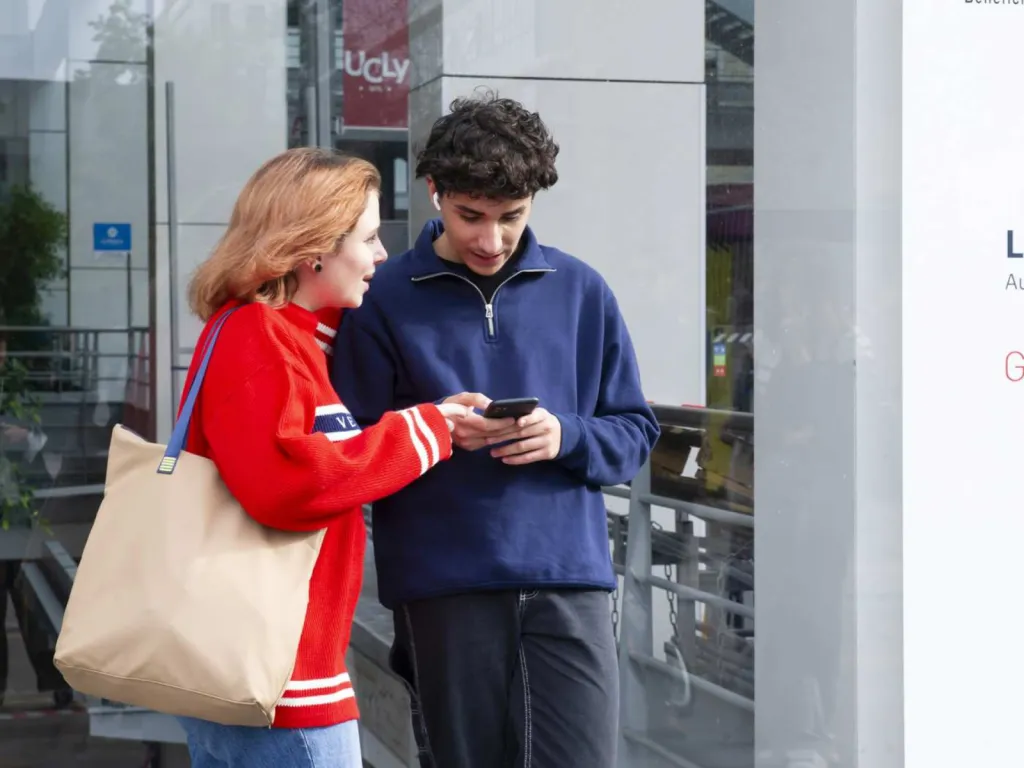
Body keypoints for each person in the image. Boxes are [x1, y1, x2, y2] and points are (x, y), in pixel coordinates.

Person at [331, 95, 661, 767]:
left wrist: (563, 435)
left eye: (511, 217)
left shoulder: (582, 291)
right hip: (443, 585)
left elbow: (633, 433)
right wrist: (431, 431)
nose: (491, 239)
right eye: (471, 216)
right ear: (435, 193)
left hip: (569, 581)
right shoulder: (381, 297)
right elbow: (346, 447)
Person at [173, 147, 469, 768]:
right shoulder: (259, 338)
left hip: (260, 677)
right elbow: (292, 482)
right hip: (282, 688)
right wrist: (427, 428)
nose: (382, 255)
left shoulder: (284, 336)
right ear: (313, 249)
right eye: (368, 237)